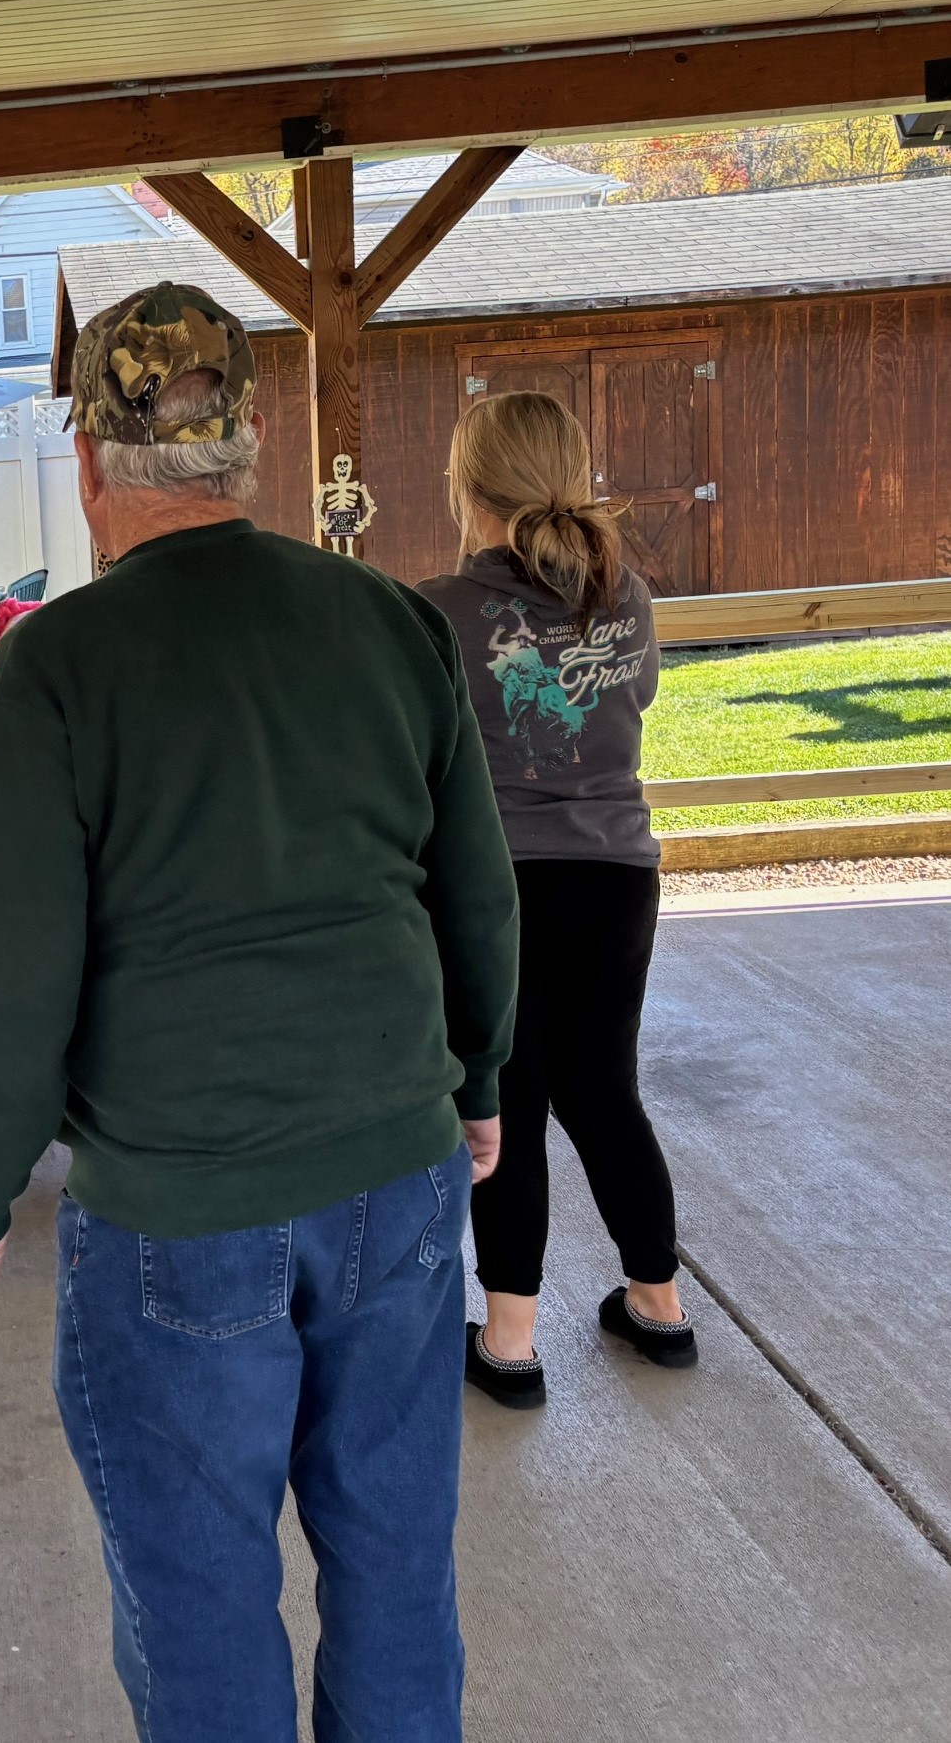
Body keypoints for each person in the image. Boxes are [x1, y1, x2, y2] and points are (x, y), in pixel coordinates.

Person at [0, 283, 520, 1739]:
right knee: (397, 1570)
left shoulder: (50, 668)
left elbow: (12, 976)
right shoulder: (387, 619)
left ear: (87, 459)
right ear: (247, 443)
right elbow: (476, 894)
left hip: (178, 1206)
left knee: (198, 1602)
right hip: (397, 1168)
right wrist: (479, 1081)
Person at [419, 390, 693, 1408]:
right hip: (619, 875)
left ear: (467, 486)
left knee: (508, 1099)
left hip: (499, 886)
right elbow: (634, 702)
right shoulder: (628, 599)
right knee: (605, 1088)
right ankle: (658, 1304)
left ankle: (510, 1343)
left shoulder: (439, 610)